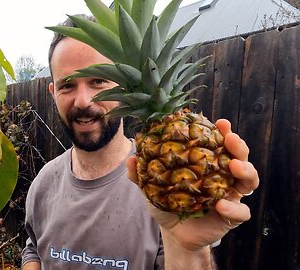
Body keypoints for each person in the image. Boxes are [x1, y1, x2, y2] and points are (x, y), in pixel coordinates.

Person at [21, 16, 259, 270]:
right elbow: (33, 249)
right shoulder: (43, 183)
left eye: (98, 80)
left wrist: (189, 251)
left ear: (123, 85)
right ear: (52, 92)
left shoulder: (162, 190)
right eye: (67, 85)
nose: (83, 101)